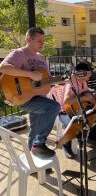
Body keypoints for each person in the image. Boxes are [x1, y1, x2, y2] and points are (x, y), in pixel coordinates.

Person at [0, 27, 60, 159]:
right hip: (22, 97)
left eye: (43, 41)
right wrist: (30, 74)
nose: (42, 44)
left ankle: (34, 161)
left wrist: (52, 83)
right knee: (54, 106)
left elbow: (46, 78)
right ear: (28, 40)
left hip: (37, 97)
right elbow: (3, 67)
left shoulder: (41, 58)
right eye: (39, 41)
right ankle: (39, 145)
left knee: (35, 129)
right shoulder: (19, 53)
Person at [49, 62, 96, 159]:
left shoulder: (84, 81)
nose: (91, 74)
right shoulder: (71, 83)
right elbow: (67, 101)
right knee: (73, 124)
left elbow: (85, 92)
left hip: (79, 109)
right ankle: (66, 146)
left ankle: (91, 138)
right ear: (82, 73)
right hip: (65, 111)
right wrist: (83, 98)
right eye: (89, 72)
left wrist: (95, 93)